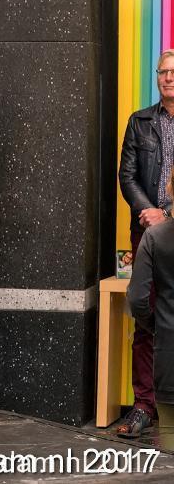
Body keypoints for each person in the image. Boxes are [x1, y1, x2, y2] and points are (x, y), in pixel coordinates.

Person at [116, 49, 174, 437]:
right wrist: (152, 213)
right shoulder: (140, 122)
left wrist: (168, 214)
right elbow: (128, 176)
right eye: (163, 72)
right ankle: (144, 405)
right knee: (146, 317)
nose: (168, 78)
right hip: (148, 231)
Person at [128, 167, 174, 437]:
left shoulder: (154, 238)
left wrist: (157, 327)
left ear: (170, 189)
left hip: (168, 359)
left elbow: (137, 299)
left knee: (169, 444)